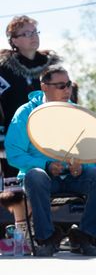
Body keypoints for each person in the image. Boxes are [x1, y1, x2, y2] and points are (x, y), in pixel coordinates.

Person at [5, 65, 96, 257]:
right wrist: (45, 165)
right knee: (36, 176)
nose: (67, 90)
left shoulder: (77, 113)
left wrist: (82, 167)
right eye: (61, 86)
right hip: (40, 179)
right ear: (44, 87)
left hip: (72, 177)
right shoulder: (25, 113)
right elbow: (14, 154)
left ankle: (84, 236)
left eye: (69, 85)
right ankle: (47, 238)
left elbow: (90, 152)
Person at [1, 16, 60, 178]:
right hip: (17, 137)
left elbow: (66, 98)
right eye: (26, 33)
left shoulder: (52, 68)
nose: (33, 36)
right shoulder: (4, 70)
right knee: (17, 194)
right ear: (14, 41)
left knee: (55, 182)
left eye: (35, 32)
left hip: (52, 136)